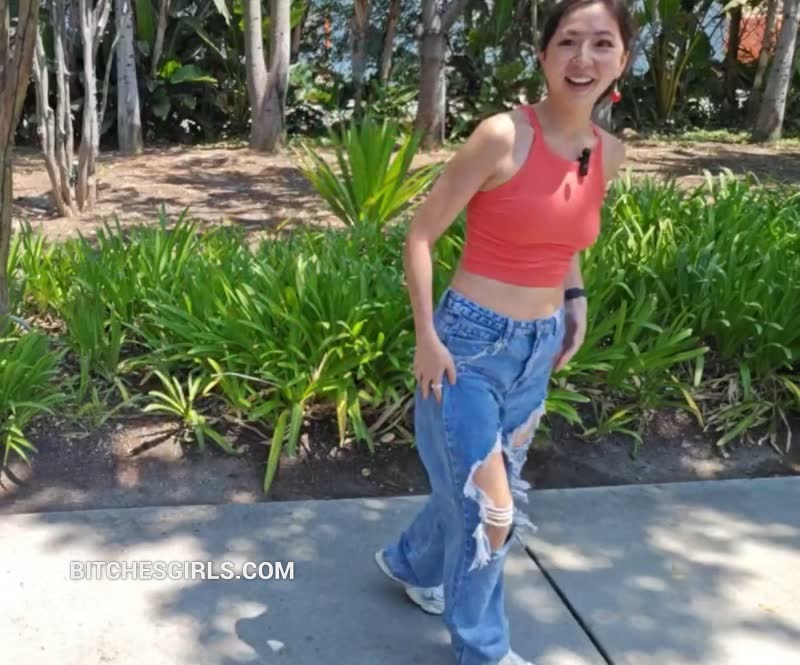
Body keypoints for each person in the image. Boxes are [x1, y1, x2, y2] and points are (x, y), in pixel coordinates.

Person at [374, 1, 635, 663]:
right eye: (568, 42)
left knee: (477, 487)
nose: (583, 58)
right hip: (466, 348)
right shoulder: (501, 136)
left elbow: (563, 236)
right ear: (544, 55)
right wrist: (426, 335)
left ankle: (411, 563)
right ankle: (483, 651)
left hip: (538, 347)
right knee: (492, 512)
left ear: (623, 59)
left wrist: (574, 297)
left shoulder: (608, 152)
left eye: (601, 43)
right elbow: (420, 235)